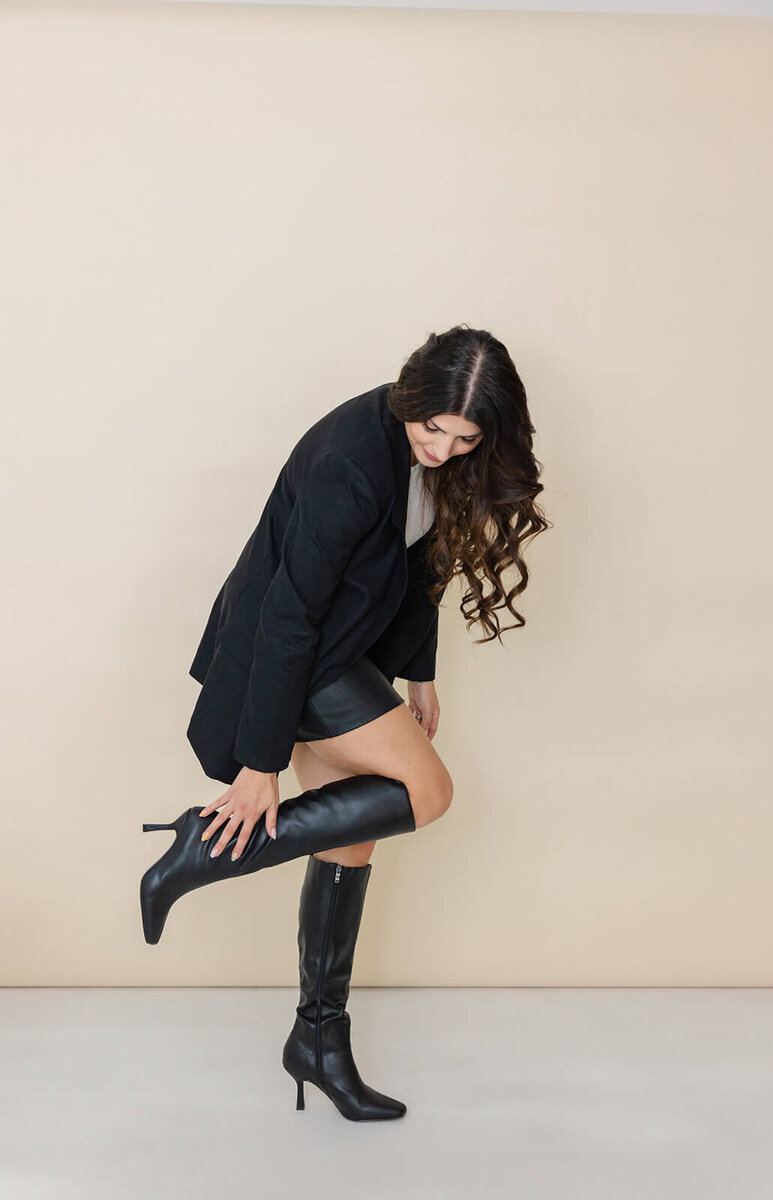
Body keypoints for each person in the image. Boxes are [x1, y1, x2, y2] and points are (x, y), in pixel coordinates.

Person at [139, 324, 549, 1121]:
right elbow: (289, 616)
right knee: (427, 791)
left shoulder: (437, 456)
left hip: (342, 649)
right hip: (291, 653)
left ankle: (318, 1040)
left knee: (348, 842)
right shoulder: (347, 465)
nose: (444, 448)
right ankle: (201, 852)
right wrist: (258, 764)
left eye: (465, 437)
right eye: (432, 428)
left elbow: (418, 563)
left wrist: (418, 670)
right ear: (412, 396)